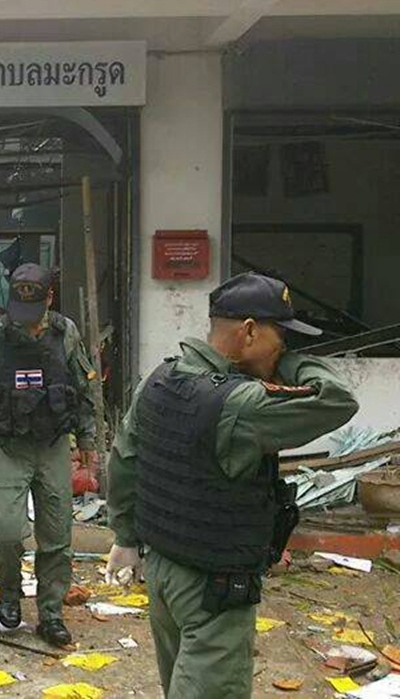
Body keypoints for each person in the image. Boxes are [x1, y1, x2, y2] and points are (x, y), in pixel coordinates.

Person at [105, 272, 359, 699]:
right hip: (214, 584)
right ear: (250, 332)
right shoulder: (241, 403)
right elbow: (337, 398)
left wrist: (125, 537)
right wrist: (287, 364)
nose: (284, 347)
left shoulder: (161, 378)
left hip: (163, 569)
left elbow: (124, 460)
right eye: (282, 338)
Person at [0, 263, 98, 648]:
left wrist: (88, 441)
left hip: (53, 445)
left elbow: (83, 390)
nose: (26, 320)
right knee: (6, 532)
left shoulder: (65, 333)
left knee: (56, 535)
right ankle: (9, 591)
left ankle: (50, 613)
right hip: (9, 445)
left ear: (49, 298)